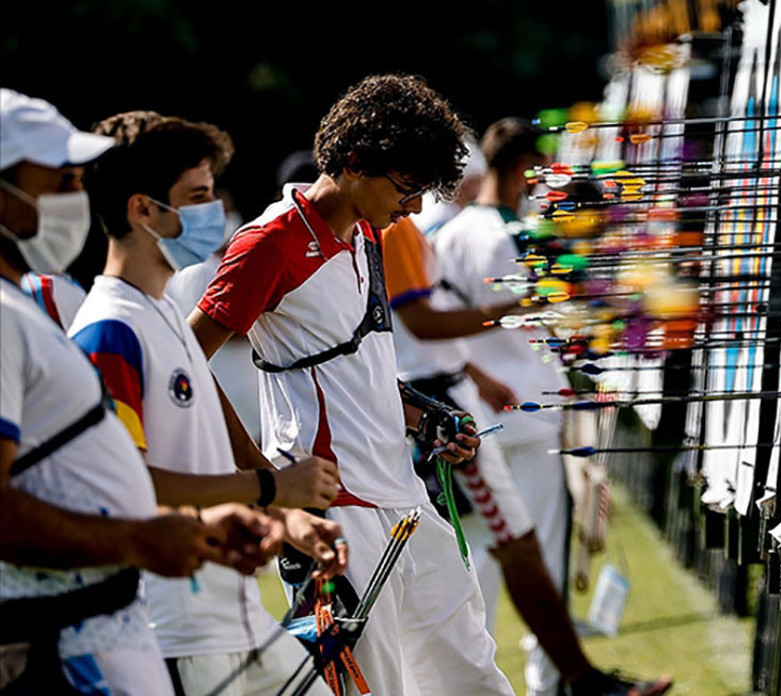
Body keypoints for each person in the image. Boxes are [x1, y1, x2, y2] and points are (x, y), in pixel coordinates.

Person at [189, 74, 513, 695]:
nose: (415, 208)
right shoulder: (268, 242)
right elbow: (179, 364)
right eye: (407, 187)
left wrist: (428, 416)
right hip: (334, 517)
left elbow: (356, 367)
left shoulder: (368, 231)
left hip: (406, 498)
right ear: (355, 162)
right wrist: (268, 484)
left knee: (474, 678)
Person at [0, 89, 281, 694]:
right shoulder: (56, 321)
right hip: (77, 640)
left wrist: (224, 514)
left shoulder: (23, 310)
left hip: (123, 623)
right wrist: (140, 535)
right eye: (59, 178)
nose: (76, 196)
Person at [71, 110, 348, 695]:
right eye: (196, 197)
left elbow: (204, 461)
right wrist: (272, 490)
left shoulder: (168, 313)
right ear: (141, 210)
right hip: (174, 634)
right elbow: (128, 485)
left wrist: (290, 522)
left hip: (240, 618)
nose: (213, 211)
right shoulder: (108, 332)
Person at [384, 211, 673, 696]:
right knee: (504, 550)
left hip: (445, 397)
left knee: (506, 549)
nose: (419, 198)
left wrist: (476, 377)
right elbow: (420, 325)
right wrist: (514, 308)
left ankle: (580, 679)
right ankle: (580, 680)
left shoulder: (401, 224)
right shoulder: (393, 227)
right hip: (434, 407)